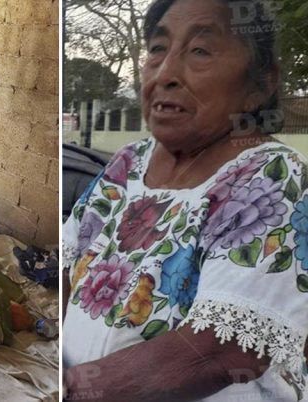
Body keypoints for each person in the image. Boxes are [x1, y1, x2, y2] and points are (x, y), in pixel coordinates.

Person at [61, 0, 308, 400]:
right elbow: (67, 269)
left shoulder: (273, 175)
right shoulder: (129, 162)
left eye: (200, 51)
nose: (165, 73)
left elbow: (218, 350)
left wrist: (72, 390)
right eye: (158, 49)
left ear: (258, 86)